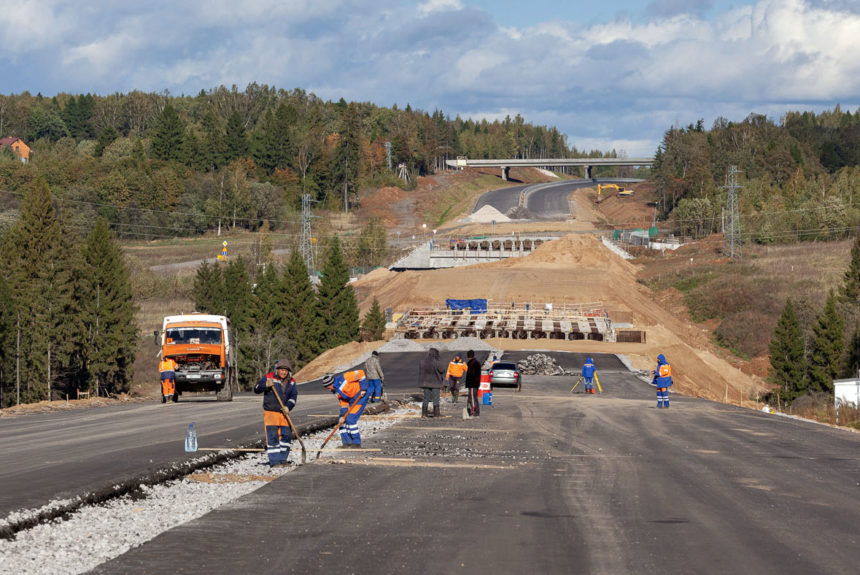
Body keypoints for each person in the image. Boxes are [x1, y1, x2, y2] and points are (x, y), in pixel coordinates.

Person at [253, 359, 298, 466]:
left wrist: (288, 407)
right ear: (277, 370)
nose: (283, 372)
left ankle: (283, 460)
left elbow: (293, 396)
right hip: (271, 413)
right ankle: (275, 461)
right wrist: (265, 385)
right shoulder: (269, 377)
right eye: (281, 370)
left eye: (285, 370)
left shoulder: (292, 381)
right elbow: (256, 389)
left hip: (284, 413)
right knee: (273, 436)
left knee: (286, 436)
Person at [322, 369, 368, 448]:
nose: (328, 389)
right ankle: (347, 443)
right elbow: (343, 402)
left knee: (350, 419)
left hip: (360, 397)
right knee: (341, 421)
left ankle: (356, 443)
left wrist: (363, 388)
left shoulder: (345, 377)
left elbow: (361, 373)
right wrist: (343, 415)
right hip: (350, 401)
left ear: (331, 383)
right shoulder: (334, 391)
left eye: (328, 387)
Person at [419, 347, 445, 418]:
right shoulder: (436, 361)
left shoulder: (422, 361)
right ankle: (436, 414)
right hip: (435, 383)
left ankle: (424, 414)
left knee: (426, 398)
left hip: (425, 383)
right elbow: (442, 370)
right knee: (435, 398)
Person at [465, 349, 482, 417]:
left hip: (472, 384)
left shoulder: (472, 363)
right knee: (473, 397)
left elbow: (471, 374)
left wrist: (469, 383)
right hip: (475, 383)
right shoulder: (476, 362)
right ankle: (474, 410)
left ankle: (474, 411)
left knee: (472, 398)